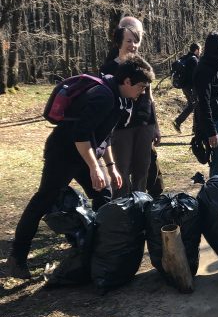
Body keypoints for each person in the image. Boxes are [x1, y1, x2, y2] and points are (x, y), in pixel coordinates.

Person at [6, 54, 155, 278]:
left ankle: (93, 249)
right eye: (141, 86)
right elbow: (81, 136)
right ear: (127, 82)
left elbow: (105, 136)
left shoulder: (118, 97)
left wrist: (111, 166)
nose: (142, 92)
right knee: (43, 200)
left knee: (102, 192)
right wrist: (95, 168)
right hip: (63, 155)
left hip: (84, 154)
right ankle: (17, 258)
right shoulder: (104, 96)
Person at [100, 23, 161, 198]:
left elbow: (150, 98)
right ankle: (121, 210)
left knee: (142, 169)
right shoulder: (108, 69)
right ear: (118, 43)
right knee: (121, 171)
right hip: (120, 128)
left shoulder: (143, 66)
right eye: (129, 40)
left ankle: (140, 205)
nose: (133, 45)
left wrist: (155, 126)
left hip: (144, 124)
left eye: (136, 41)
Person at [193, 31, 218, 177]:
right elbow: (203, 103)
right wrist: (211, 131)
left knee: (217, 160)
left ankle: (212, 194)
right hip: (213, 121)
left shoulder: (217, 66)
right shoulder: (204, 69)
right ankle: (212, 191)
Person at [173, 43, 201, 133]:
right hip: (191, 87)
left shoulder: (185, 57)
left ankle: (178, 122)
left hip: (184, 86)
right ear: (196, 50)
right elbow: (197, 75)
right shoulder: (194, 60)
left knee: (192, 105)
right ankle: (195, 129)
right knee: (197, 105)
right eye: (200, 50)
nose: (200, 52)